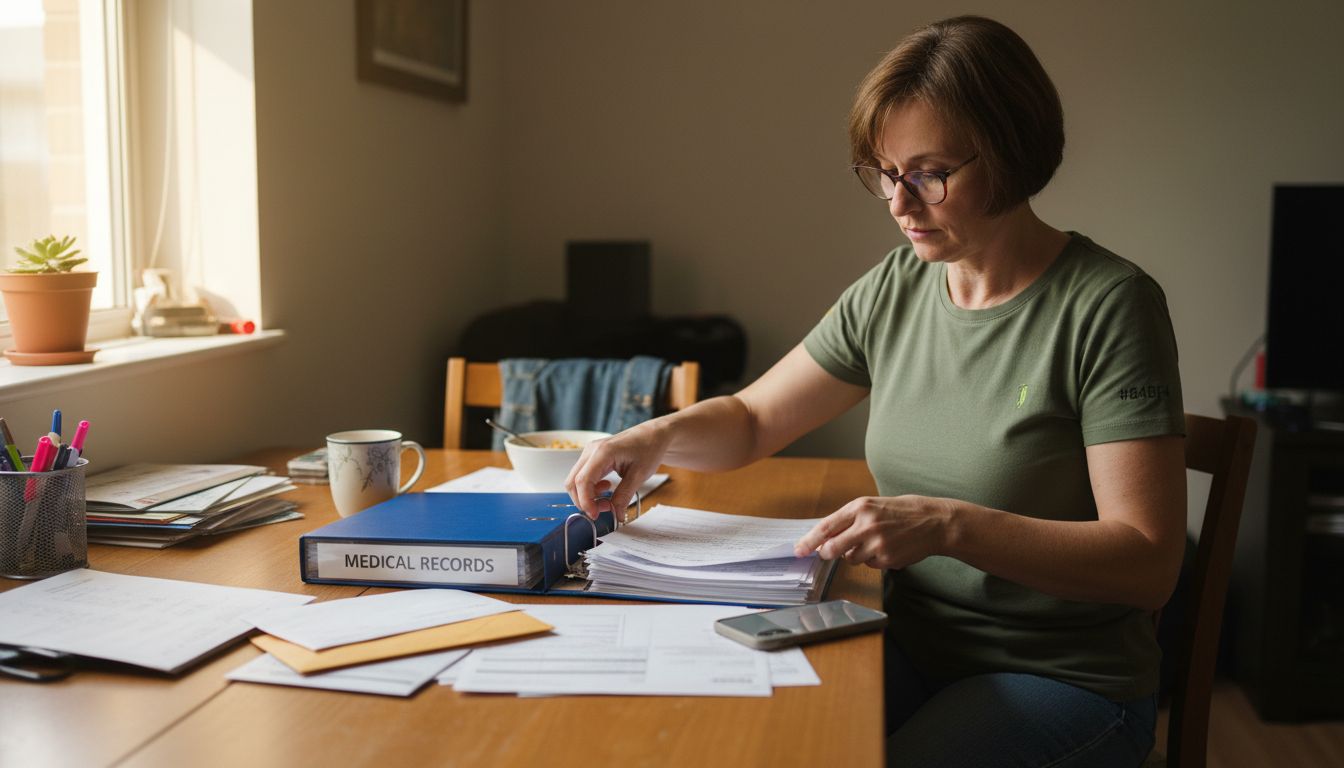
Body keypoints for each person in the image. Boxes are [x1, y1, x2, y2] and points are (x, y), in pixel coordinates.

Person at [565, 15, 1184, 768]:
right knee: (734, 740)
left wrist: (950, 526)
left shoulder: (1109, 305)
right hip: (909, 644)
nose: (899, 202)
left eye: (929, 174)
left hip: (1064, 679)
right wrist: (653, 436)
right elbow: (753, 419)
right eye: (886, 172)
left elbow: (1148, 563)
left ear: (1012, 152)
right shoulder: (898, 287)